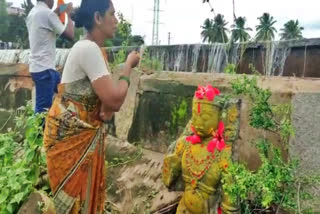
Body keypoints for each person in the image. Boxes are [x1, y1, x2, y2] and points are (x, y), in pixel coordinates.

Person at [43, 0, 140, 212]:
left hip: (80, 140)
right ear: (97, 18)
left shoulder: (95, 50)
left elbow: (105, 111)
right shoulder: (88, 49)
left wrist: (105, 105)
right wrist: (126, 68)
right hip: (70, 143)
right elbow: (114, 101)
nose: (116, 20)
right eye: (112, 14)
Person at [26, 0, 74, 113]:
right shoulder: (47, 14)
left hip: (39, 68)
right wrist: (69, 15)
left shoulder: (33, 13)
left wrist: (60, 10)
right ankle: (40, 130)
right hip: (45, 71)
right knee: (42, 112)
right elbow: (70, 35)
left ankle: (58, 124)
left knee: (64, 92)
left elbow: (49, 17)